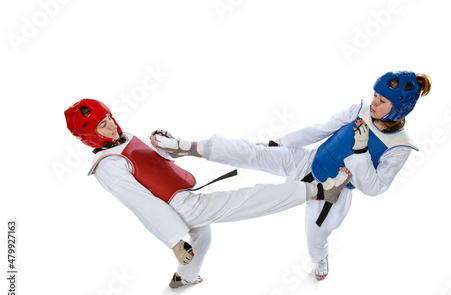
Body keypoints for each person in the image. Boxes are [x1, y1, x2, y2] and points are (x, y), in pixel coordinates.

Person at [150, 71, 432, 281]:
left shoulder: (400, 147)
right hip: (307, 161)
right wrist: (281, 142)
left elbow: (375, 188)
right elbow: (322, 129)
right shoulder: (359, 110)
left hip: (332, 192)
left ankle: (321, 260)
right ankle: (189, 147)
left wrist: (360, 151)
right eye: (375, 95)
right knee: (254, 152)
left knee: (315, 237)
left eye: (382, 101)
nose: (374, 102)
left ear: (401, 107)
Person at [64, 99, 351, 288]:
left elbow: (155, 163)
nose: (112, 125)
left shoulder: (125, 139)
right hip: (180, 206)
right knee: (247, 199)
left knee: (203, 235)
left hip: (183, 194)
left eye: (110, 118)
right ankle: (318, 191)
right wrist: (175, 240)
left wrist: (163, 143)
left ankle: (185, 276)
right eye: (103, 124)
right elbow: (142, 204)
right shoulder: (107, 167)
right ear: (89, 135)